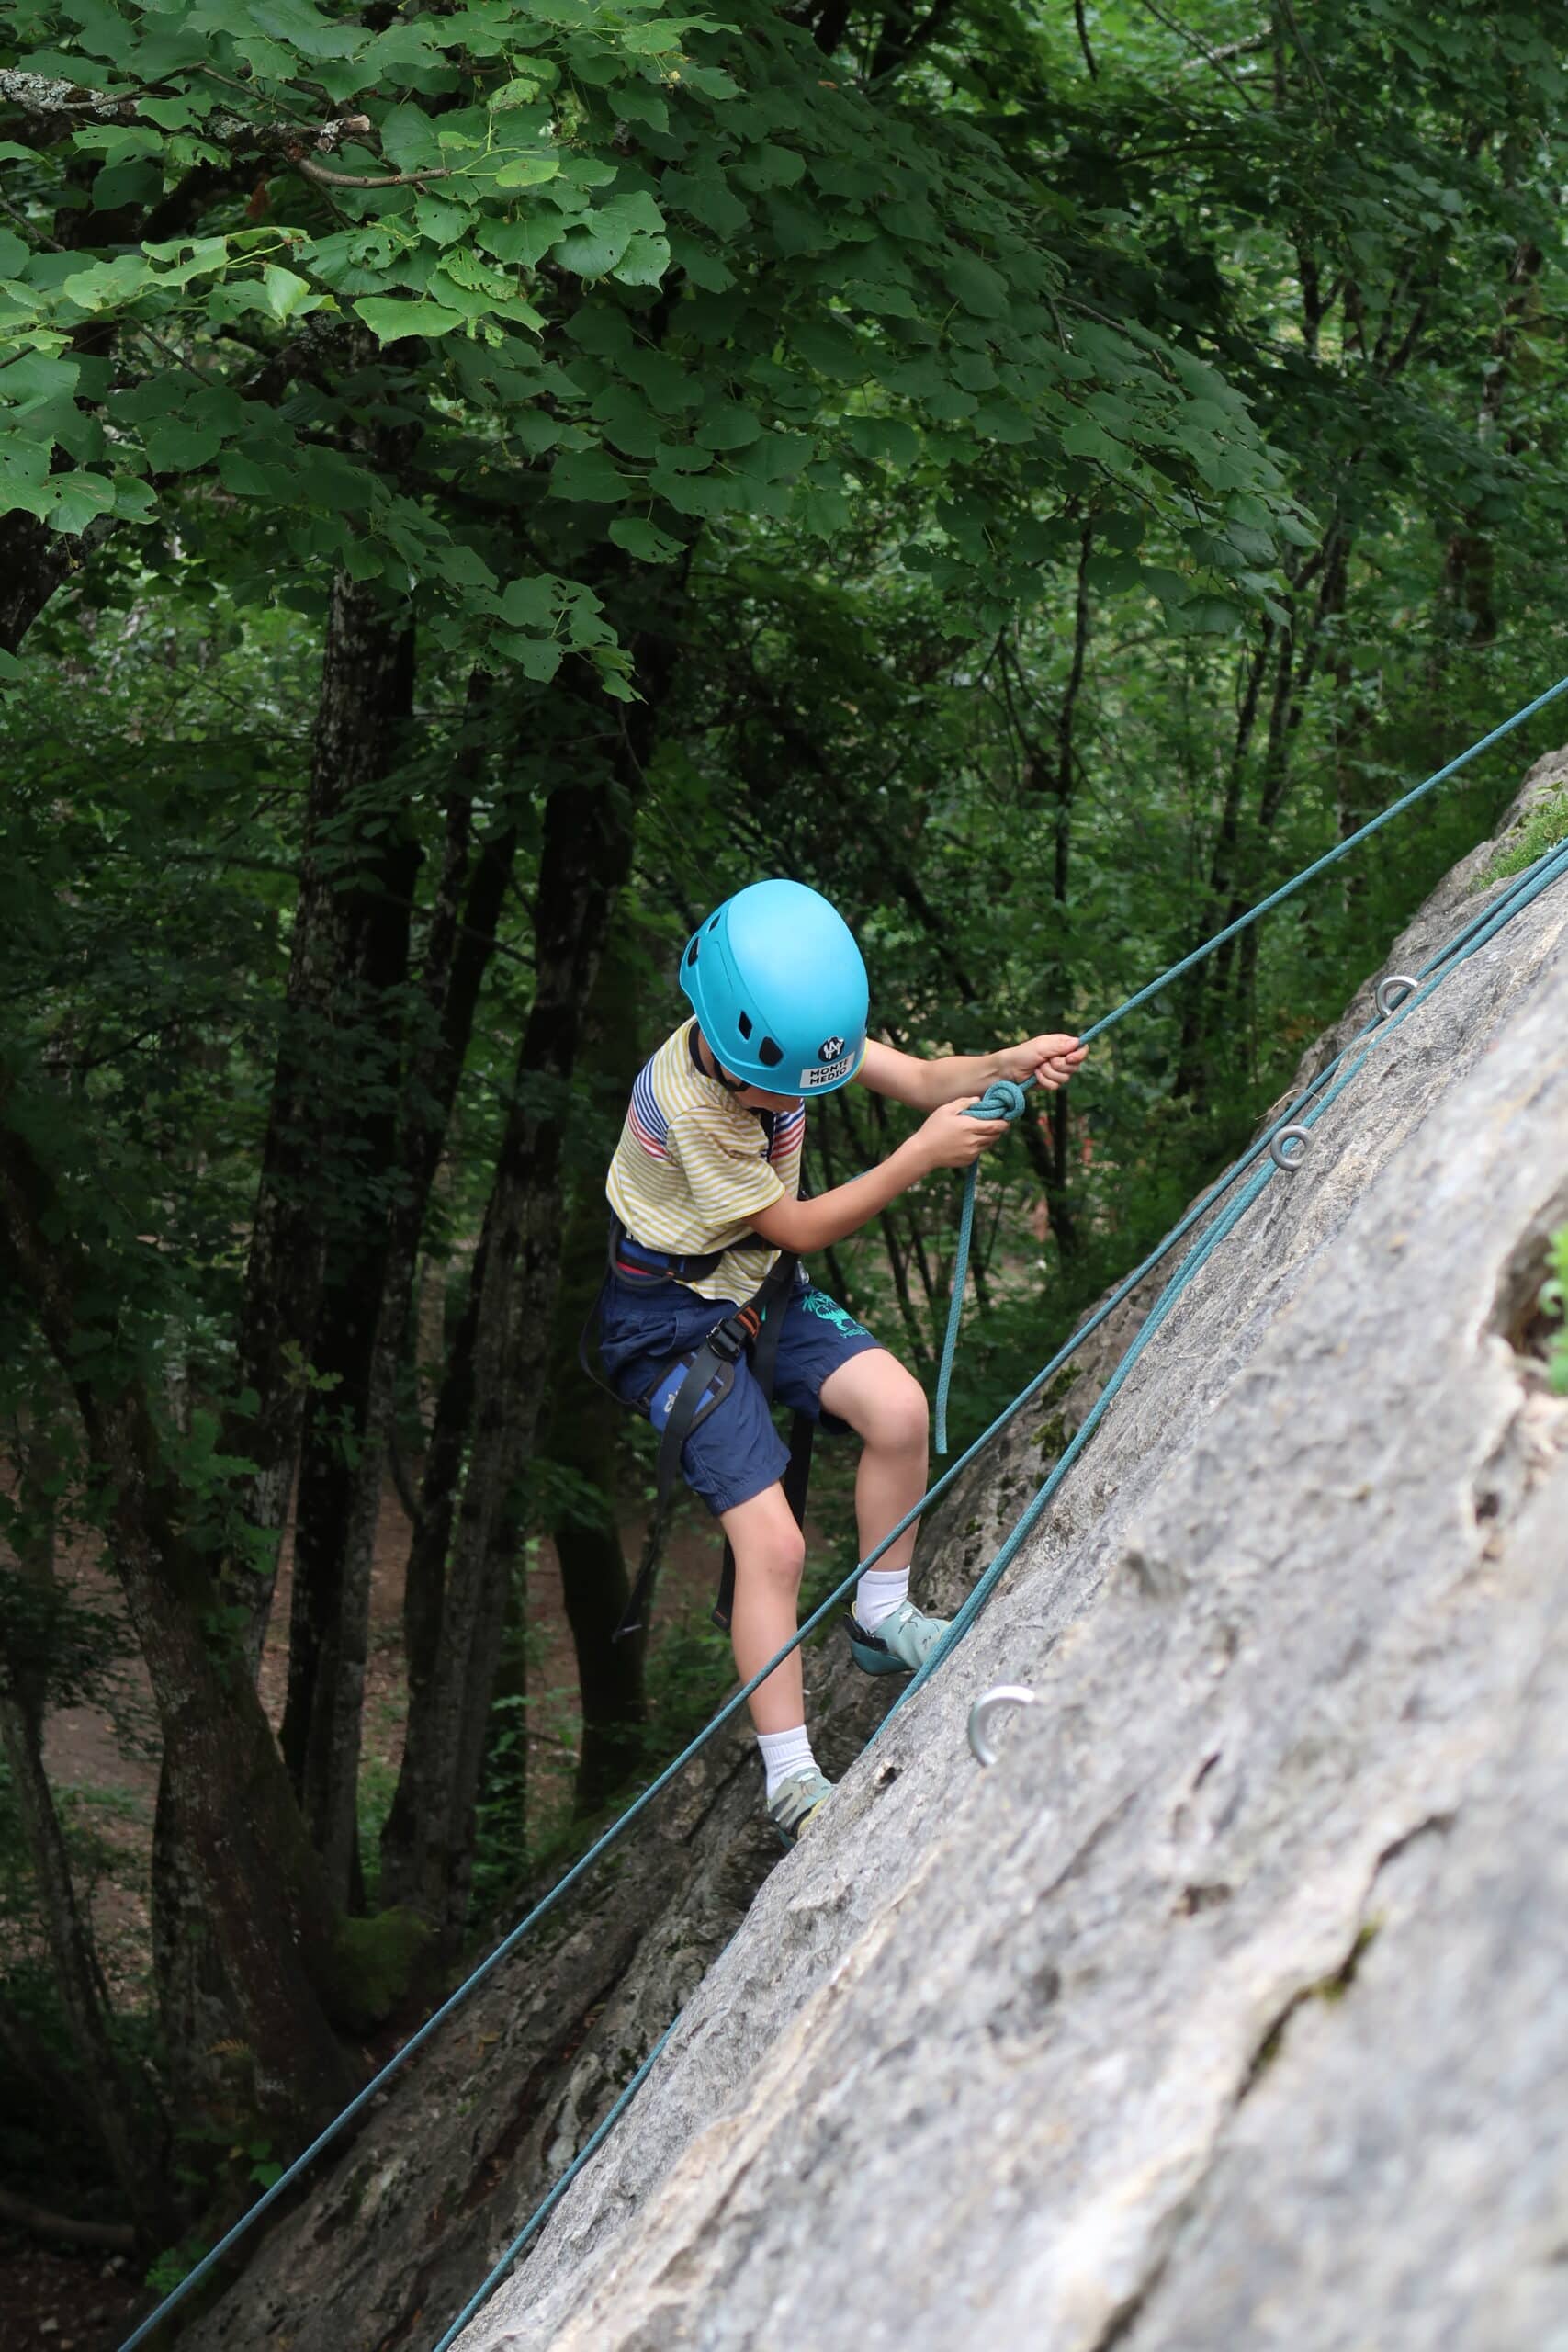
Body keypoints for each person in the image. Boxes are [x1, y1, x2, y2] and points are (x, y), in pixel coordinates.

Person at [594, 879, 1085, 1845]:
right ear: (736, 1048)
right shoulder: (695, 1104)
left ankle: (882, 1616)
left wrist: (1009, 1060)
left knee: (898, 1413)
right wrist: (918, 1159)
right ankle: (789, 1777)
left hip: (752, 1284)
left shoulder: (782, 1034)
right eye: (791, 1087)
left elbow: (918, 1079)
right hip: (668, 1322)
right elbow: (800, 1222)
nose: (806, 1099)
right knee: (773, 1544)